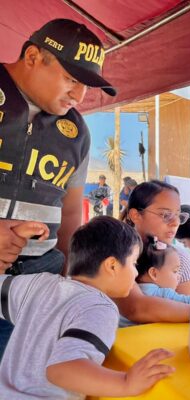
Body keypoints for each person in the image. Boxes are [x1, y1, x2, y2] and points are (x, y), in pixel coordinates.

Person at [0, 18, 116, 357]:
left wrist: (72, 279)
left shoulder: (76, 132)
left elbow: (69, 211)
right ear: (33, 57)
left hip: (37, 286)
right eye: (70, 78)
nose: (79, 95)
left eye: (85, 86)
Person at [0, 216, 175, 398]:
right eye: (133, 263)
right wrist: (125, 383)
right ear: (112, 265)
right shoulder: (99, 307)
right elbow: (62, 369)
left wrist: (12, 242)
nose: (136, 273)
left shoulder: (38, 284)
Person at [118, 180, 190, 323]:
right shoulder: (117, 252)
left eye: (178, 215)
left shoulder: (180, 259)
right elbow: (136, 308)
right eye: (165, 215)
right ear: (135, 215)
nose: (175, 223)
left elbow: (185, 310)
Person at [120, 236, 190, 327]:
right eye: (175, 271)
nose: (179, 277)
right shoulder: (161, 294)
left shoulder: (130, 289)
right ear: (154, 274)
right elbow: (188, 301)